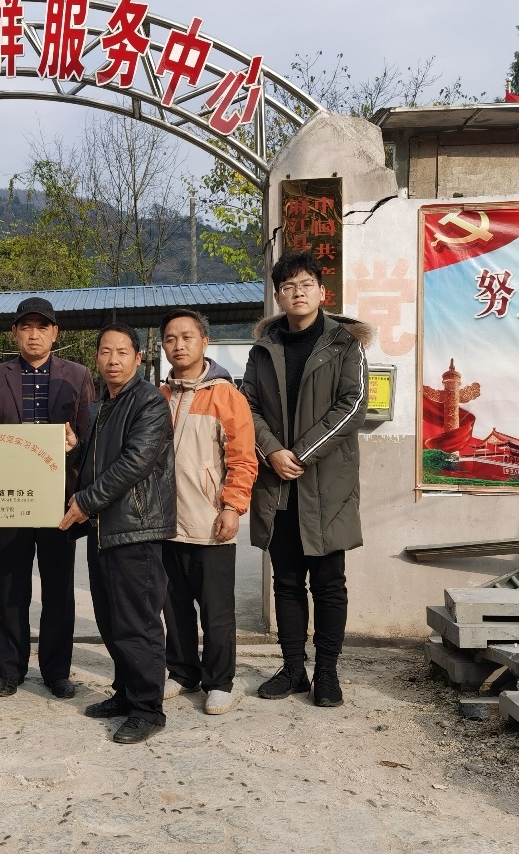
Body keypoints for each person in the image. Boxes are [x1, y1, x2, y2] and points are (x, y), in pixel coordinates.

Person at [241, 250, 370, 708]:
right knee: (287, 582)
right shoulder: (263, 348)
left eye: (306, 284)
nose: (297, 292)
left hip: (327, 485)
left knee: (329, 584)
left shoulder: (345, 344)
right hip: (277, 485)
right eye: (288, 286)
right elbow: (246, 407)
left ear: (321, 291)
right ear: (278, 295)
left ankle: (327, 672)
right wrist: (272, 451)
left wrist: (301, 453)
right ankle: (293, 669)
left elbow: (353, 405)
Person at [60, 323, 176, 744]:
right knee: (111, 621)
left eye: (122, 352)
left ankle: (148, 709)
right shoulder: (101, 404)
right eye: (105, 352)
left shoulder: (149, 401)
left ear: (138, 358)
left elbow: (134, 463)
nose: (113, 360)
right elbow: (98, 460)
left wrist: (84, 502)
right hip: (103, 529)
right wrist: (76, 448)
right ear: (96, 358)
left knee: (137, 623)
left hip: (134, 529)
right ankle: (126, 693)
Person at [0, 297, 94, 700]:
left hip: (59, 499)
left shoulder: (77, 375)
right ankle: (10, 668)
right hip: (8, 499)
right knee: (10, 586)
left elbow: (87, 440)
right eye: (25, 327)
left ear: (55, 333)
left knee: (58, 588)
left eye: (42, 327)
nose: (33, 334)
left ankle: (56, 671)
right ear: (14, 333)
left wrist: (79, 479)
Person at [159, 309, 258, 716]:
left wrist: (232, 507)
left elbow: (243, 459)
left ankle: (220, 681)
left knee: (216, 612)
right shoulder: (159, 396)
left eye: (187, 337)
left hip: (210, 522)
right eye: (170, 339)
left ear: (204, 342)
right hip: (164, 523)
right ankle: (183, 672)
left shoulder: (225, 396)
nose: (178, 345)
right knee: (174, 607)